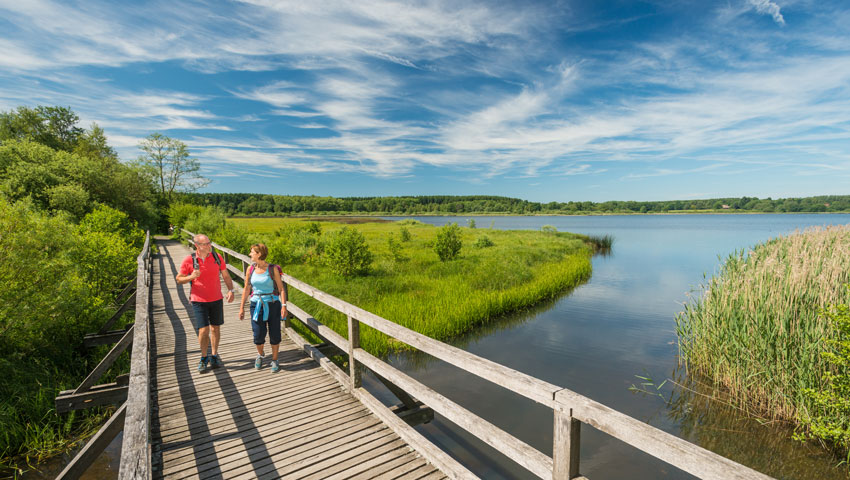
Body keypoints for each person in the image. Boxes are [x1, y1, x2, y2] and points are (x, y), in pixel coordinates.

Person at [176, 233, 236, 373]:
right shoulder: (189, 260)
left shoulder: (217, 257)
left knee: (215, 328)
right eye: (206, 244)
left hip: (216, 298)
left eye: (210, 243)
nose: (209, 246)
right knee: (204, 330)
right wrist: (191, 276)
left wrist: (231, 290)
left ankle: (214, 355)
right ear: (197, 246)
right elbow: (179, 279)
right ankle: (204, 357)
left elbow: (226, 275)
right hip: (199, 300)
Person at [239, 243, 287, 373]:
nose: (250, 254)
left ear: (259, 254)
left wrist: (283, 305)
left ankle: (275, 359)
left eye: (252, 252)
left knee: (275, 333)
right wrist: (242, 307)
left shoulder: (272, 269)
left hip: (273, 304)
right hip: (256, 304)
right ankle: (260, 355)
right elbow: (247, 288)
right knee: (258, 334)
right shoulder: (250, 269)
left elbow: (281, 288)